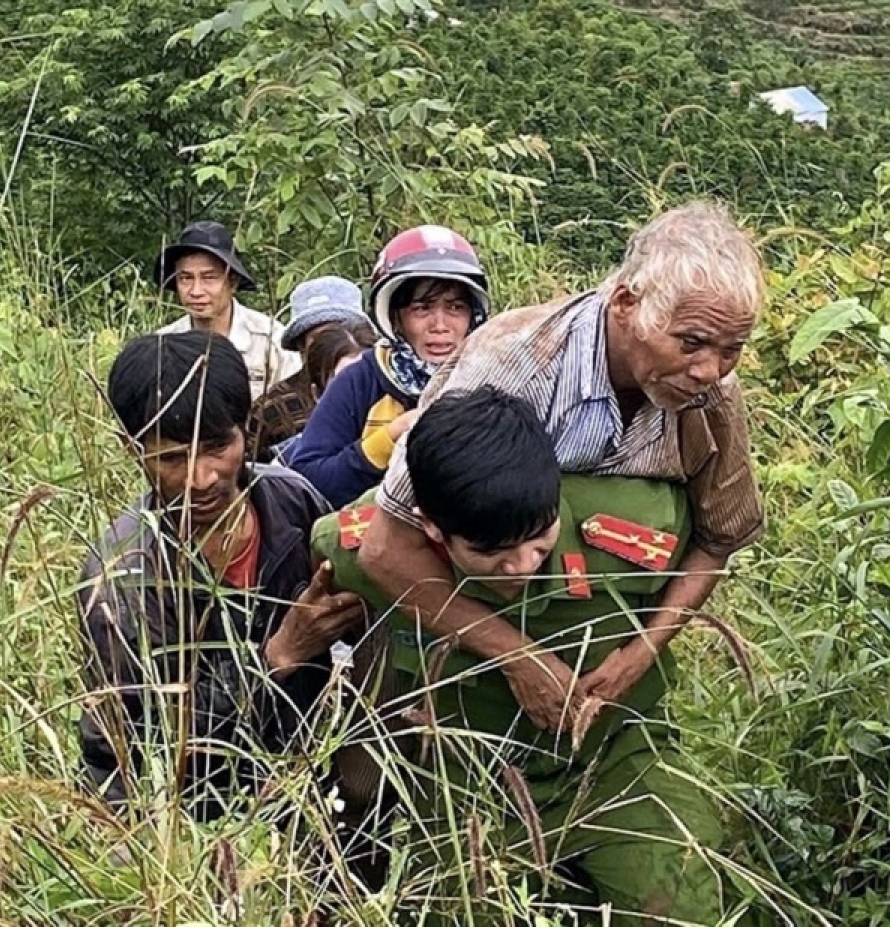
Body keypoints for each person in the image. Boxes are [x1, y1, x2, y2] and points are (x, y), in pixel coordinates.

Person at [311, 388, 768, 924]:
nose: (521, 565)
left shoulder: (632, 523)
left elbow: (717, 545)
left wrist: (642, 651)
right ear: (430, 529)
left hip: (615, 759)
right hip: (472, 781)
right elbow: (325, 563)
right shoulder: (367, 548)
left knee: (687, 903)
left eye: (538, 539)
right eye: (490, 554)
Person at [358, 200, 766, 734]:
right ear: (625, 303)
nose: (709, 369)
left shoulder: (711, 395)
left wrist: (640, 652)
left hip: (608, 675)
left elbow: (720, 538)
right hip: (464, 659)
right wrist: (518, 658)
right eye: (689, 342)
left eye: (731, 349)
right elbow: (386, 547)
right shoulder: (509, 369)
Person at [76, 330, 365, 822]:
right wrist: (276, 656)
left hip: (317, 771)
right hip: (197, 812)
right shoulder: (123, 576)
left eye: (218, 446)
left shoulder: (291, 499)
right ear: (132, 449)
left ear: (245, 431)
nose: (202, 477)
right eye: (170, 458)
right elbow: (132, 747)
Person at [288, 225, 490, 509]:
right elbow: (306, 480)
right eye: (422, 308)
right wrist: (389, 438)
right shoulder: (362, 380)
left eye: (455, 307)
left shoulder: (494, 376)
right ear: (395, 317)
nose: (440, 326)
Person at [154, 220, 301, 400]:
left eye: (209, 278)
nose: (196, 291)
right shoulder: (162, 345)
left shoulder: (272, 340)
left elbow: (295, 411)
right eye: (185, 278)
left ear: (233, 282)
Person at [247, 275, 378, 461]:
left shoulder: (397, 390)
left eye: (340, 330)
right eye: (319, 337)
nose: (335, 342)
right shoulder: (272, 408)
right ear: (301, 345)